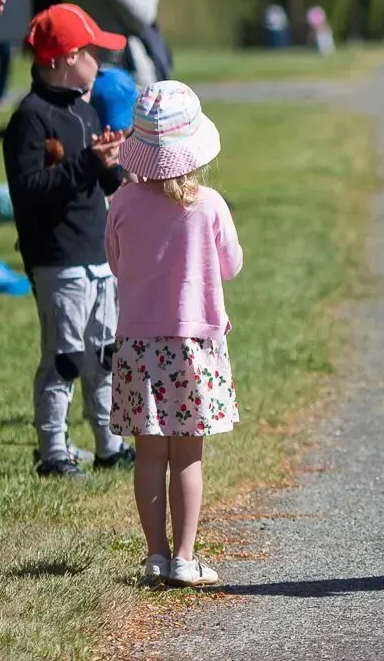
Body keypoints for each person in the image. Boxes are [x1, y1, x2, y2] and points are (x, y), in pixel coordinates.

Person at [106, 80, 243, 588]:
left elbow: (116, 263)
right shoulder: (209, 205)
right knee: (187, 454)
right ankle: (185, 558)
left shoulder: (122, 202)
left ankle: (156, 556)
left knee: (149, 454)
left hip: (138, 345)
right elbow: (231, 266)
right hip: (194, 347)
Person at [2, 5, 137, 477]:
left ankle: (109, 443)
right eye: (91, 52)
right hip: (58, 258)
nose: (99, 62)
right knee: (65, 358)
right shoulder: (31, 119)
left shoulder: (84, 110)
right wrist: (88, 163)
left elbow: (97, 182)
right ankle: (53, 451)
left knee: (104, 354)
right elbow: (30, 190)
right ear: (64, 59)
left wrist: (112, 168)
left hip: (97, 254)